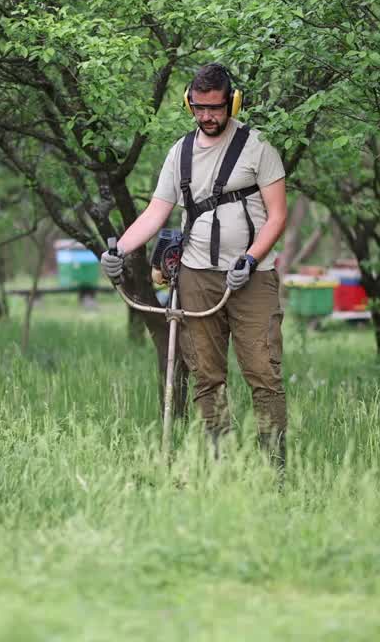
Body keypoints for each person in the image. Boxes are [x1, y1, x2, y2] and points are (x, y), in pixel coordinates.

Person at [101, 63, 289, 473]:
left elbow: (277, 216)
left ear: (232, 103)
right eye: (199, 108)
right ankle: (220, 465)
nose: (207, 116)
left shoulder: (259, 149)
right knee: (206, 375)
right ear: (189, 103)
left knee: (263, 372)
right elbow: (156, 212)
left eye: (215, 108)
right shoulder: (180, 152)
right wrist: (119, 250)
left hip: (252, 278)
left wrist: (252, 258)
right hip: (196, 276)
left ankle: (275, 471)